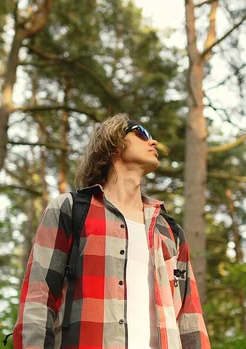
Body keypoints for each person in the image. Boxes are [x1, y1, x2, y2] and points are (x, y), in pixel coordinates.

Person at [13, 114, 210, 349]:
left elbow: (190, 319)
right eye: (141, 133)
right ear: (113, 143)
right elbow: (38, 300)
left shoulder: (169, 230)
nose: (153, 142)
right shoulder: (71, 209)